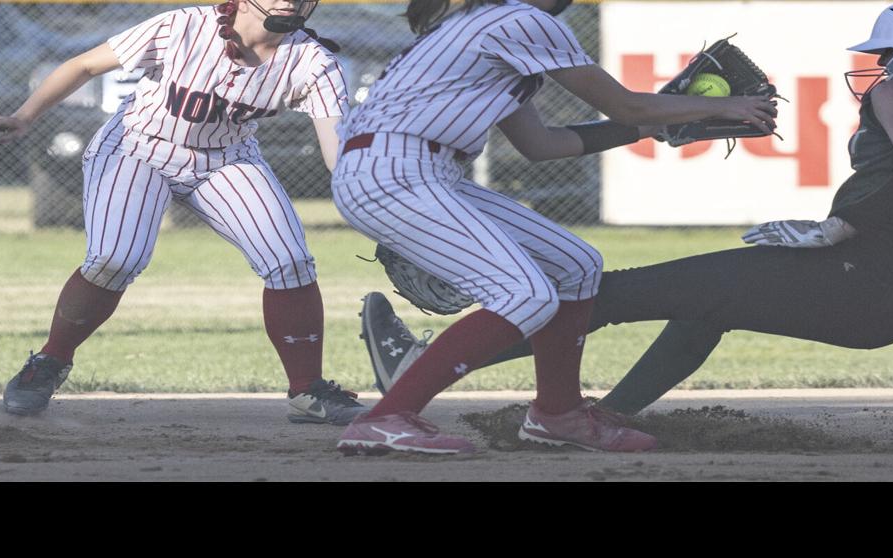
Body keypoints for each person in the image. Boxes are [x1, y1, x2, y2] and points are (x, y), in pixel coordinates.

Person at [362, 0, 893, 419]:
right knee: (702, 303)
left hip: (856, 276)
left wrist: (841, 226)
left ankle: (423, 364)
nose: (882, 65)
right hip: (891, 300)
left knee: (615, 290)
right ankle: (604, 415)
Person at [332, 0, 777, 455]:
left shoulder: (490, 25)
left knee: (575, 265)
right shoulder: (522, 19)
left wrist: (648, 127)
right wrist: (723, 104)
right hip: (396, 169)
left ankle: (558, 415)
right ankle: (386, 417)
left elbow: (542, 146)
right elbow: (624, 104)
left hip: (412, 168)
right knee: (524, 294)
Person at [0, 1, 370, 424]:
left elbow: (337, 154)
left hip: (228, 158)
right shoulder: (184, 26)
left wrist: (381, 212)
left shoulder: (313, 61)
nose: (291, 1)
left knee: (290, 260)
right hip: (137, 147)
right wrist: (24, 116)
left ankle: (307, 389)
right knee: (114, 259)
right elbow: (84, 65)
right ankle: (49, 361)